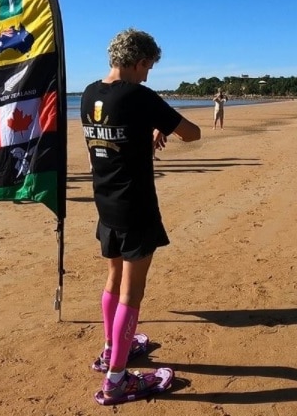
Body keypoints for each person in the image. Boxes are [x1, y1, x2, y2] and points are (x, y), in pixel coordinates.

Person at [80, 28, 201, 405]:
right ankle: (117, 379)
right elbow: (192, 133)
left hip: (105, 202)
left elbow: (114, 145)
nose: (149, 74)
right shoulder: (141, 96)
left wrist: (145, 136)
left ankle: (111, 348)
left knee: (113, 277)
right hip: (136, 206)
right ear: (138, 61)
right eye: (148, 66)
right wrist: (155, 121)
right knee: (133, 290)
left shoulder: (88, 94)